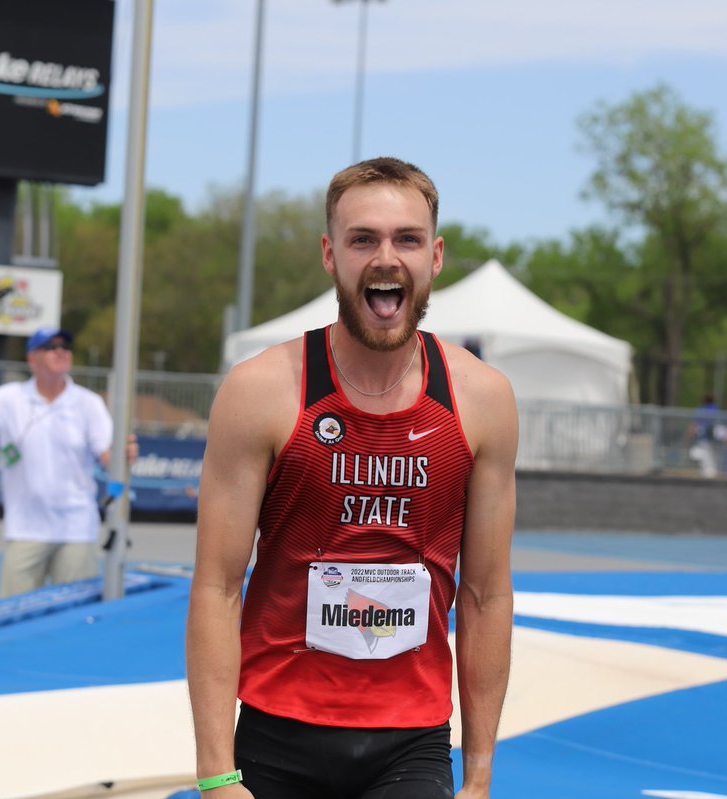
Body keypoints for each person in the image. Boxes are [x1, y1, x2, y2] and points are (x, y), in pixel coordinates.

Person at [187, 157, 519, 799]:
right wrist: (216, 775)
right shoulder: (261, 392)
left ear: (437, 257)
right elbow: (217, 586)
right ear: (330, 254)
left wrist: (479, 778)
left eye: (407, 239)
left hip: (412, 743)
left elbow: (486, 596)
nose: (386, 258)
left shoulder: (482, 400)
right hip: (275, 735)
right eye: (363, 239)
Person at [0, 327, 122, 597]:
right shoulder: (9, 398)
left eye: (65, 347)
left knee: (72, 619)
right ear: (32, 359)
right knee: (13, 615)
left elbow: (107, 456)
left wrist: (122, 457)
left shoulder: (87, 402)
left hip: (76, 529)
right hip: (26, 528)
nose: (61, 352)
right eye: (51, 347)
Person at [687, 394, 723, 477]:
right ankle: (712, 473)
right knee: (713, 459)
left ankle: (708, 473)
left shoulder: (701, 411)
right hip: (716, 441)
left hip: (704, 440)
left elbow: (693, 426)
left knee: (704, 458)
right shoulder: (718, 411)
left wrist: (688, 440)